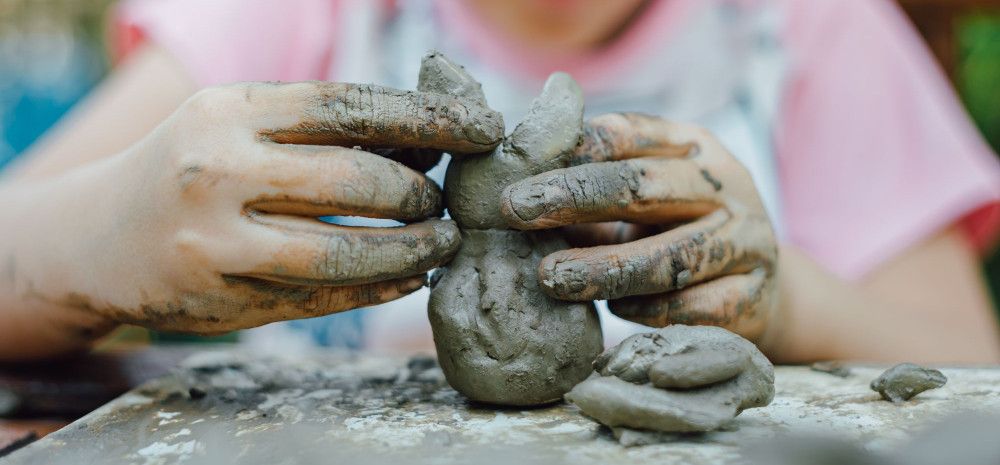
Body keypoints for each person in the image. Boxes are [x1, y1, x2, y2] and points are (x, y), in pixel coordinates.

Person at [1, 0, 998, 363]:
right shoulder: (297, 13)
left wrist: (789, 304)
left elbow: (971, 380)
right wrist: (96, 237)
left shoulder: (811, 29)